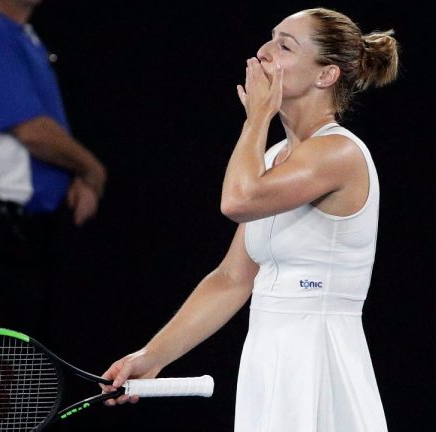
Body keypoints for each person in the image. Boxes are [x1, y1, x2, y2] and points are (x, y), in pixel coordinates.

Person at [102, 7, 398, 431]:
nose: (263, 52)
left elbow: (237, 200)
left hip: (318, 361)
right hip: (266, 358)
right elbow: (232, 278)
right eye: (270, 37)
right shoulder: (275, 159)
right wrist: (151, 356)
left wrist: (257, 116)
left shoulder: (339, 153)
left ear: (325, 76)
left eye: (285, 45)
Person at [0, 0, 106, 339]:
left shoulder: (26, 37)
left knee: (34, 369)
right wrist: (92, 171)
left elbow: (48, 131)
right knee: (2, 369)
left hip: (36, 234)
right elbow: (32, 131)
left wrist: (72, 178)